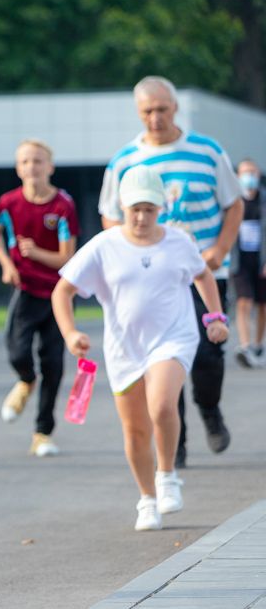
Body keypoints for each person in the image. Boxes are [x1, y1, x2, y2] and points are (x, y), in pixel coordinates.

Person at [54, 166, 229, 531]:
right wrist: (71, 333)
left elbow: (203, 274)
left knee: (162, 404)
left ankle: (167, 474)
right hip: (124, 348)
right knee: (135, 430)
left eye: (149, 209)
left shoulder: (178, 242)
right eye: (135, 208)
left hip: (173, 338)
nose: (141, 216)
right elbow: (63, 291)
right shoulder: (105, 246)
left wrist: (215, 317)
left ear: (160, 207)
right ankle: (147, 498)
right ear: (122, 206)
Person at [98, 76, 242, 467]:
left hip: (205, 272)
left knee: (209, 355)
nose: (155, 118)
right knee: (163, 359)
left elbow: (234, 204)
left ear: (175, 108)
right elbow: (111, 218)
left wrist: (219, 249)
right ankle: (174, 444)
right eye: (147, 111)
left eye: (162, 109)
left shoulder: (208, 152)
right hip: (155, 279)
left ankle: (210, 409)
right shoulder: (125, 160)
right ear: (138, 112)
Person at [0, 139, 79, 456]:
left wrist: (37, 252)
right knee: (17, 353)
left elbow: (68, 258)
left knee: (52, 364)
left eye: (38, 161)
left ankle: (42, 434)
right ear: (17, 168)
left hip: (57, 295)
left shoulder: (62, 206)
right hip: (24, 291)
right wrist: (7, 264)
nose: (32, 167)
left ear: (49, 167)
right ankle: (25, 381)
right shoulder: (8, 203)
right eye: (25, 161)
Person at [232, 159, 266, 368]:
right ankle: (245, 347)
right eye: (245, 172)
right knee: (243, 301)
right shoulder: (234, 201)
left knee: (262, 305)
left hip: (260, 259)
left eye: (252, 171)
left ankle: (257, 344)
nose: (249, 176)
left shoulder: (263, 200)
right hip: (240, 260)